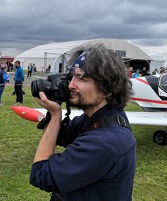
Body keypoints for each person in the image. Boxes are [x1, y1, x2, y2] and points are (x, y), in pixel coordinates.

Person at [29, 44, 136, 201]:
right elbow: (59, 136)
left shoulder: (104, 143)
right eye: (72, 76)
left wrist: (55, 113)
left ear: (108, 88)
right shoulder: (104, 118)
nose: (71, 84)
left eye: (82, 78)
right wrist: (56, 107)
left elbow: (40, 175)